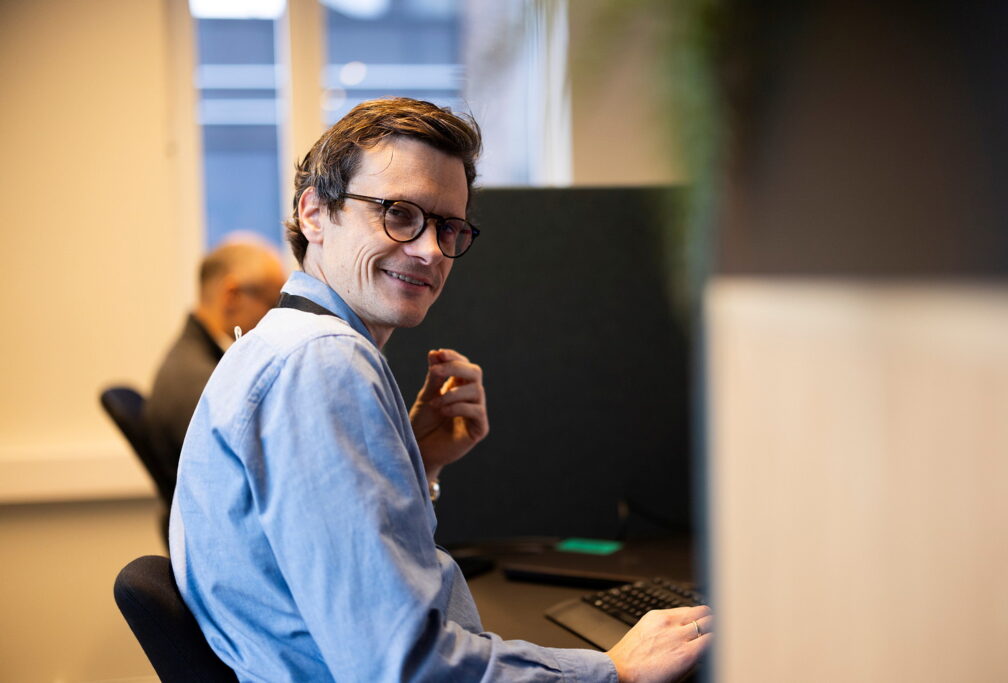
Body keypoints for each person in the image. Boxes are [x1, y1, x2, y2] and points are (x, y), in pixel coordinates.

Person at [170, 97, 712, 682]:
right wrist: (611, 671)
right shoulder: (323, 362)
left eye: (448, 226)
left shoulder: (281, 343)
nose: (430, 250)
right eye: (399, 213)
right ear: (315, 214)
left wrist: (417, 462)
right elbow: (401, 666)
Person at [146, 238, 285, 504]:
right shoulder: (196, 383)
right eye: (272, 303)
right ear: (231, 295)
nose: (276, 317)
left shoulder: (195, 362)